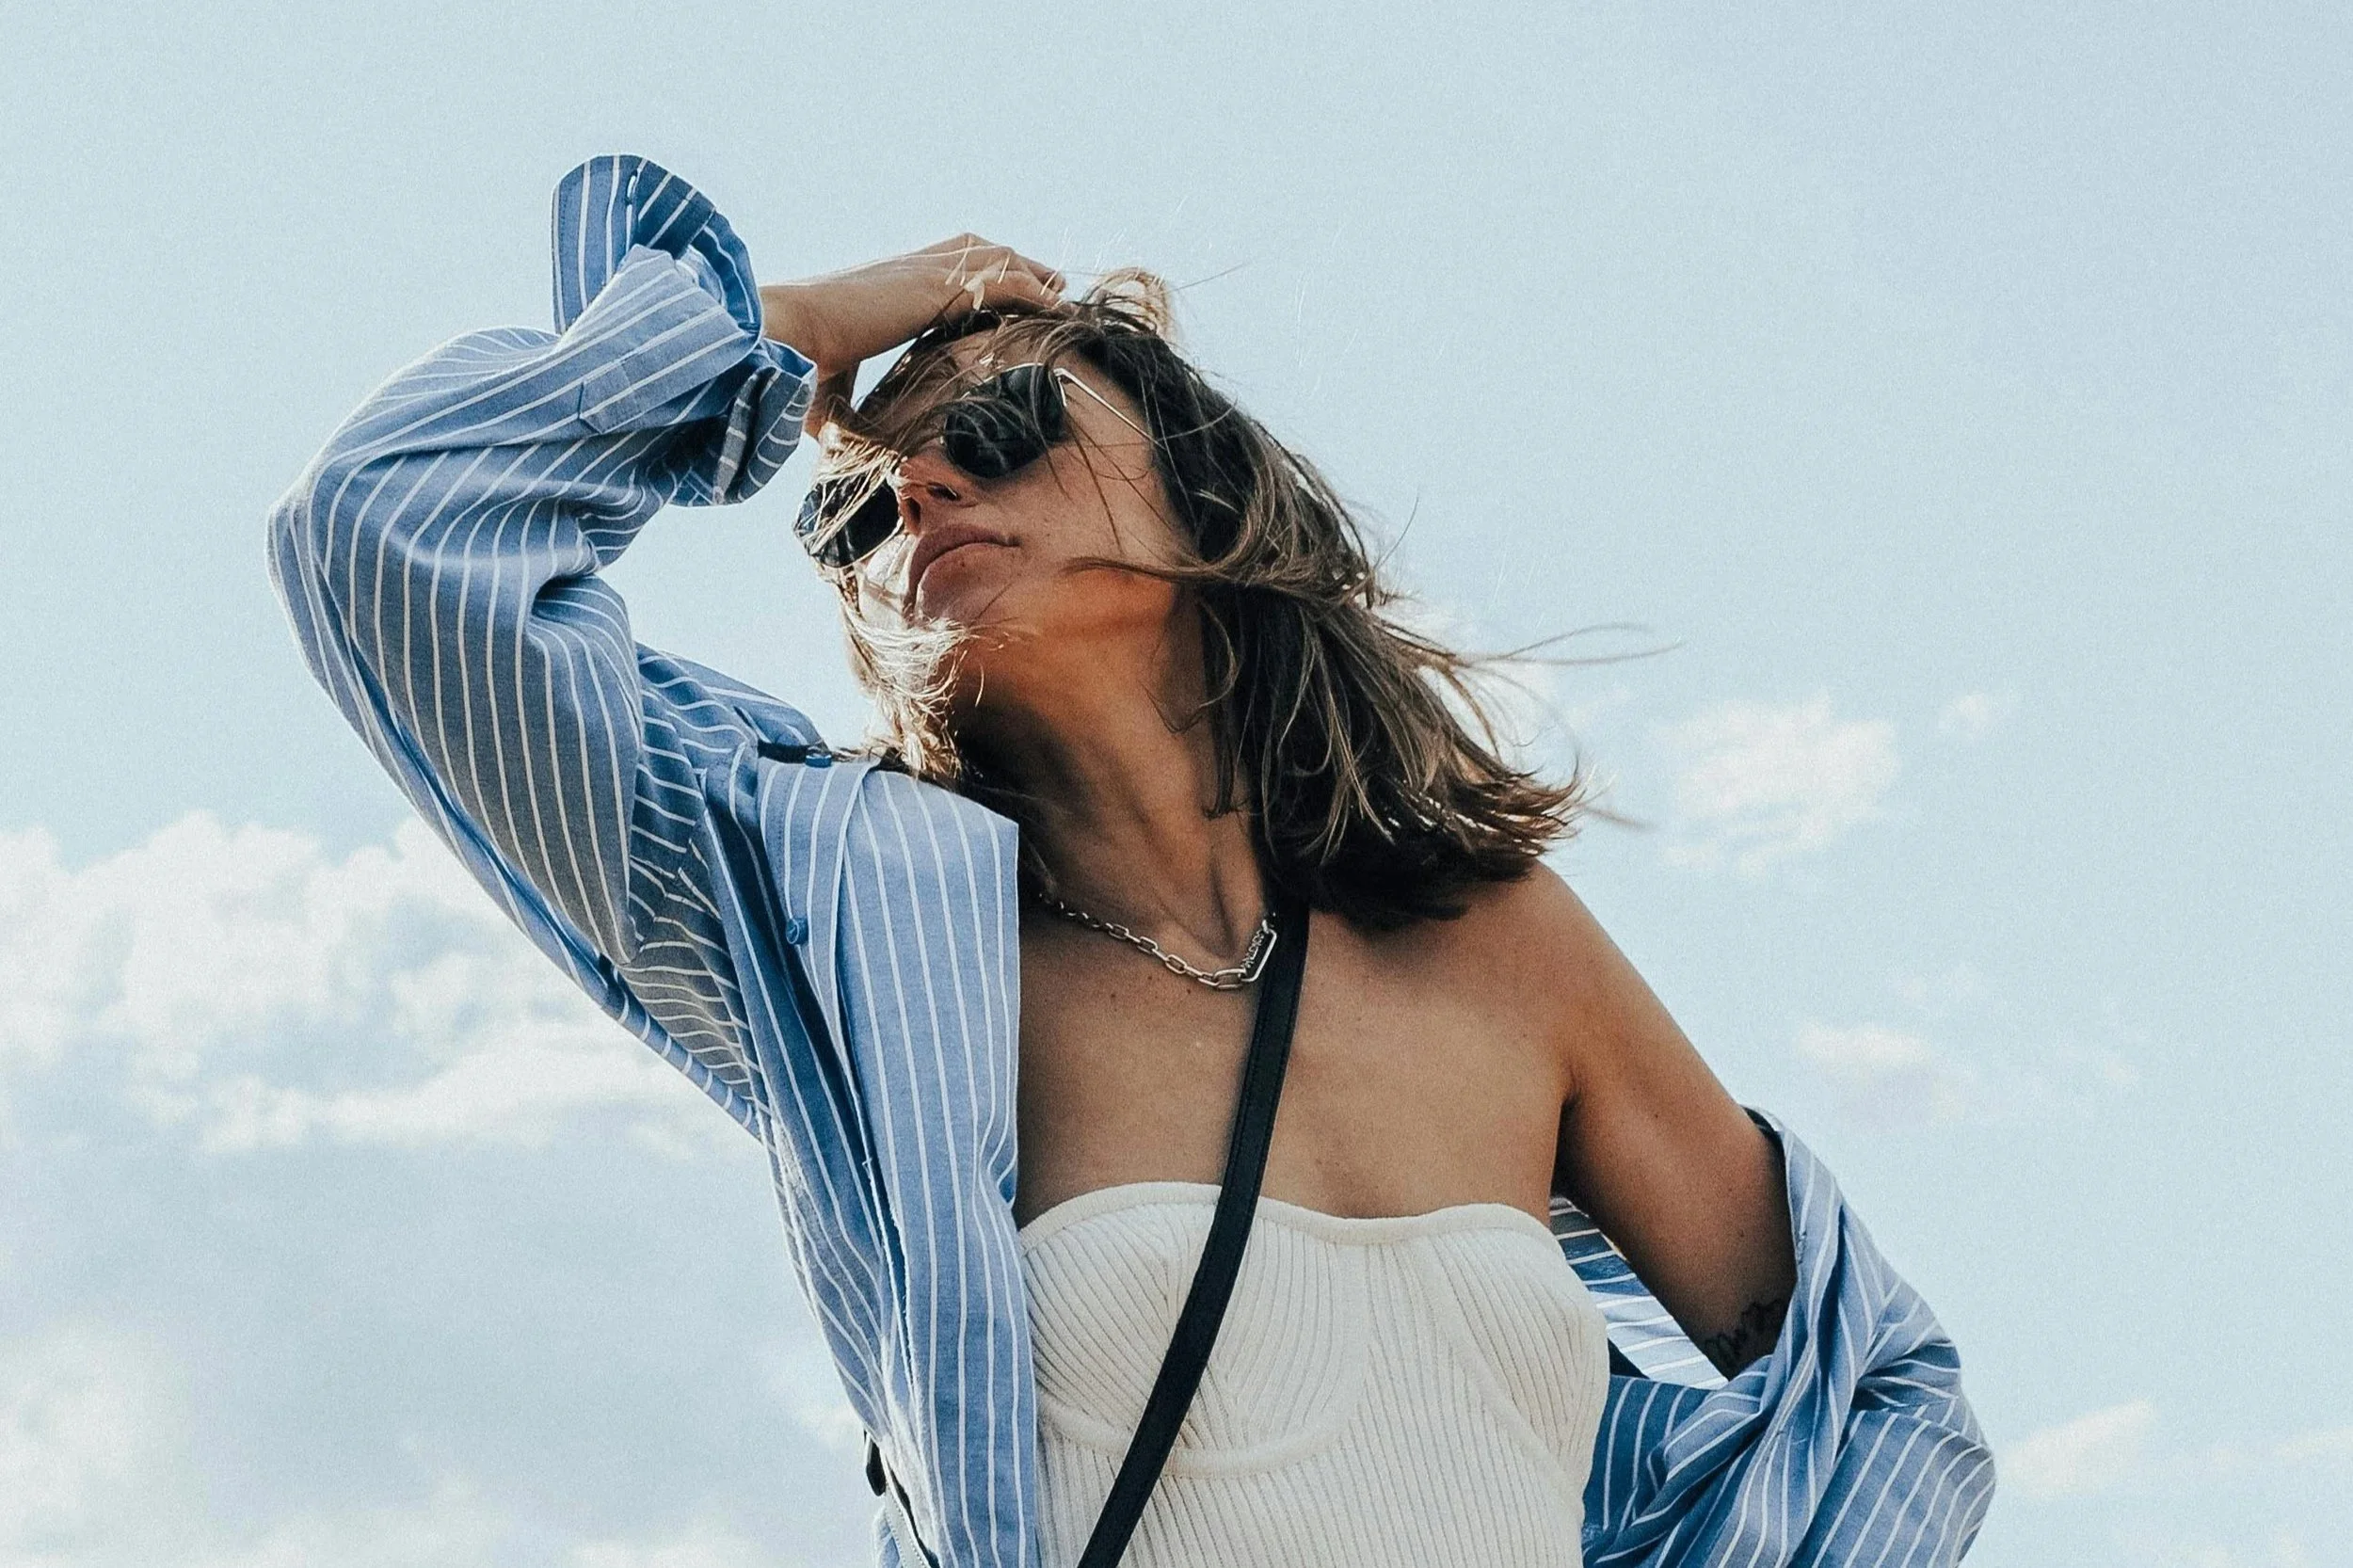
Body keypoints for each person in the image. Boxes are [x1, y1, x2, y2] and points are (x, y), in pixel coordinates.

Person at [268, 155, 1993, 1567]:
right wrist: (791, 324)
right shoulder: (849, 921)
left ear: (1211, 501)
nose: (926, 481)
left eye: (1003, 421)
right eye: (864, 503)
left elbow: (1891, 1400)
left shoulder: (1498, 944)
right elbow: (390, 524)